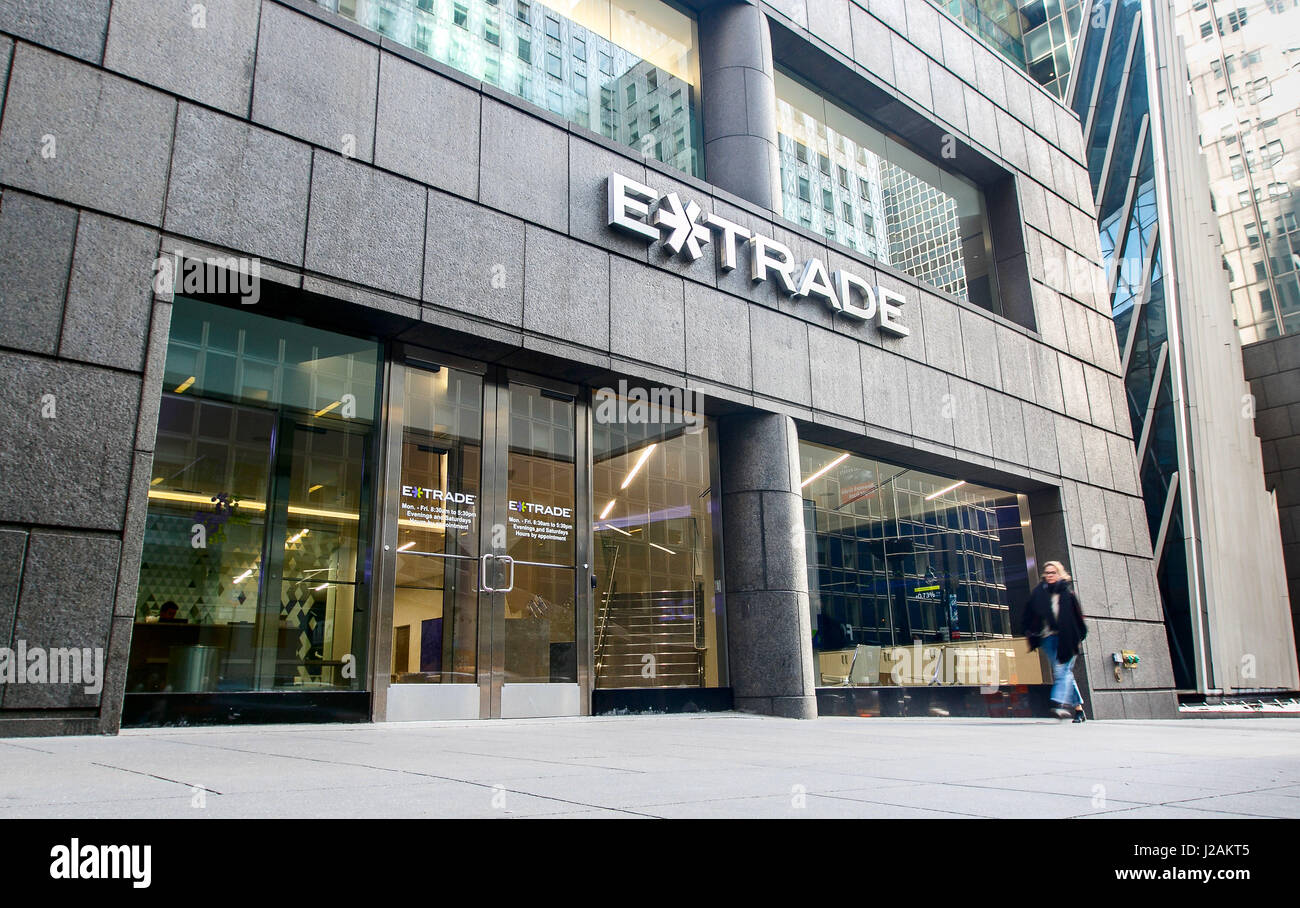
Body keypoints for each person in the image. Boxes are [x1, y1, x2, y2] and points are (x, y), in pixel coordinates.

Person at [1020, 561, 1088, 722]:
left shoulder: (1067, 593)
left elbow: (1078, 618)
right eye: (1047, 572)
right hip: (1048, 638)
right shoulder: (1039, 593)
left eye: (1053, 572)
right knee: (1065, 673)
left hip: (1067, 638)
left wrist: (1079, 636)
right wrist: (1029, 630)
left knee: (1061, 671)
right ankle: (1078, 709)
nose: (1050, 575)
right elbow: (1029, 613)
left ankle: (1058, 703)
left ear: (1060, 574)